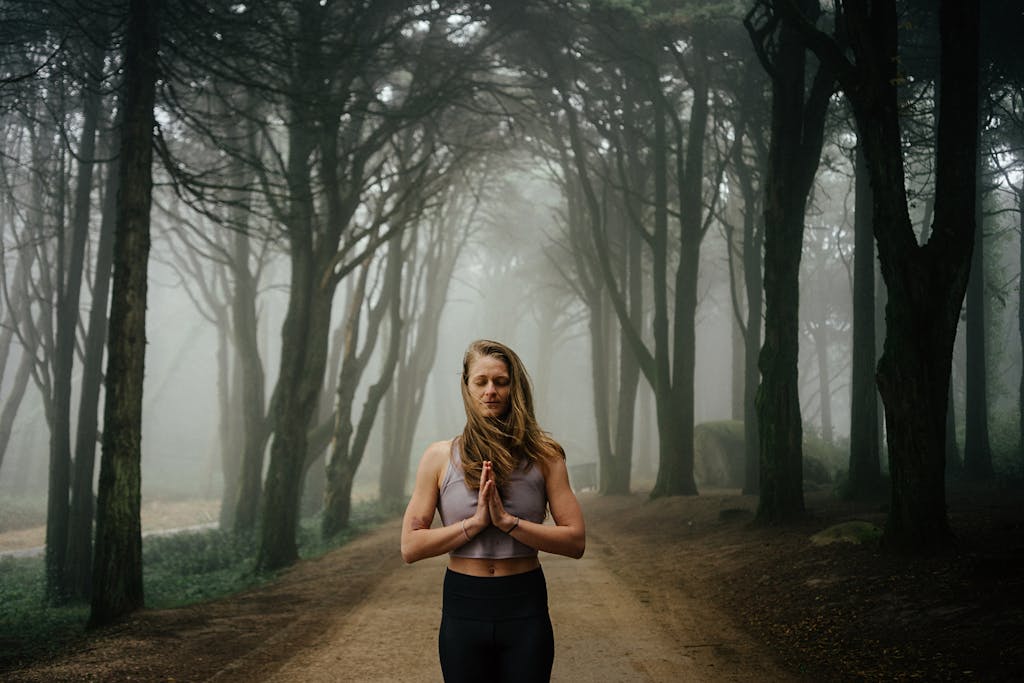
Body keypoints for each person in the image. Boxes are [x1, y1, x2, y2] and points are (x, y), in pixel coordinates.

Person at [401, 339, 586, 683]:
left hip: (524, 605)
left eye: (501, 381)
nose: (491, 391)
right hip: (463, 605)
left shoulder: (546, 456)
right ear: (466, 387)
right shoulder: (439, 457)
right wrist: (474, 525)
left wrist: (507, 523)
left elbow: (575, 541)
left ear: (515, 386)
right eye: (481, 382)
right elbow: (410, 547)